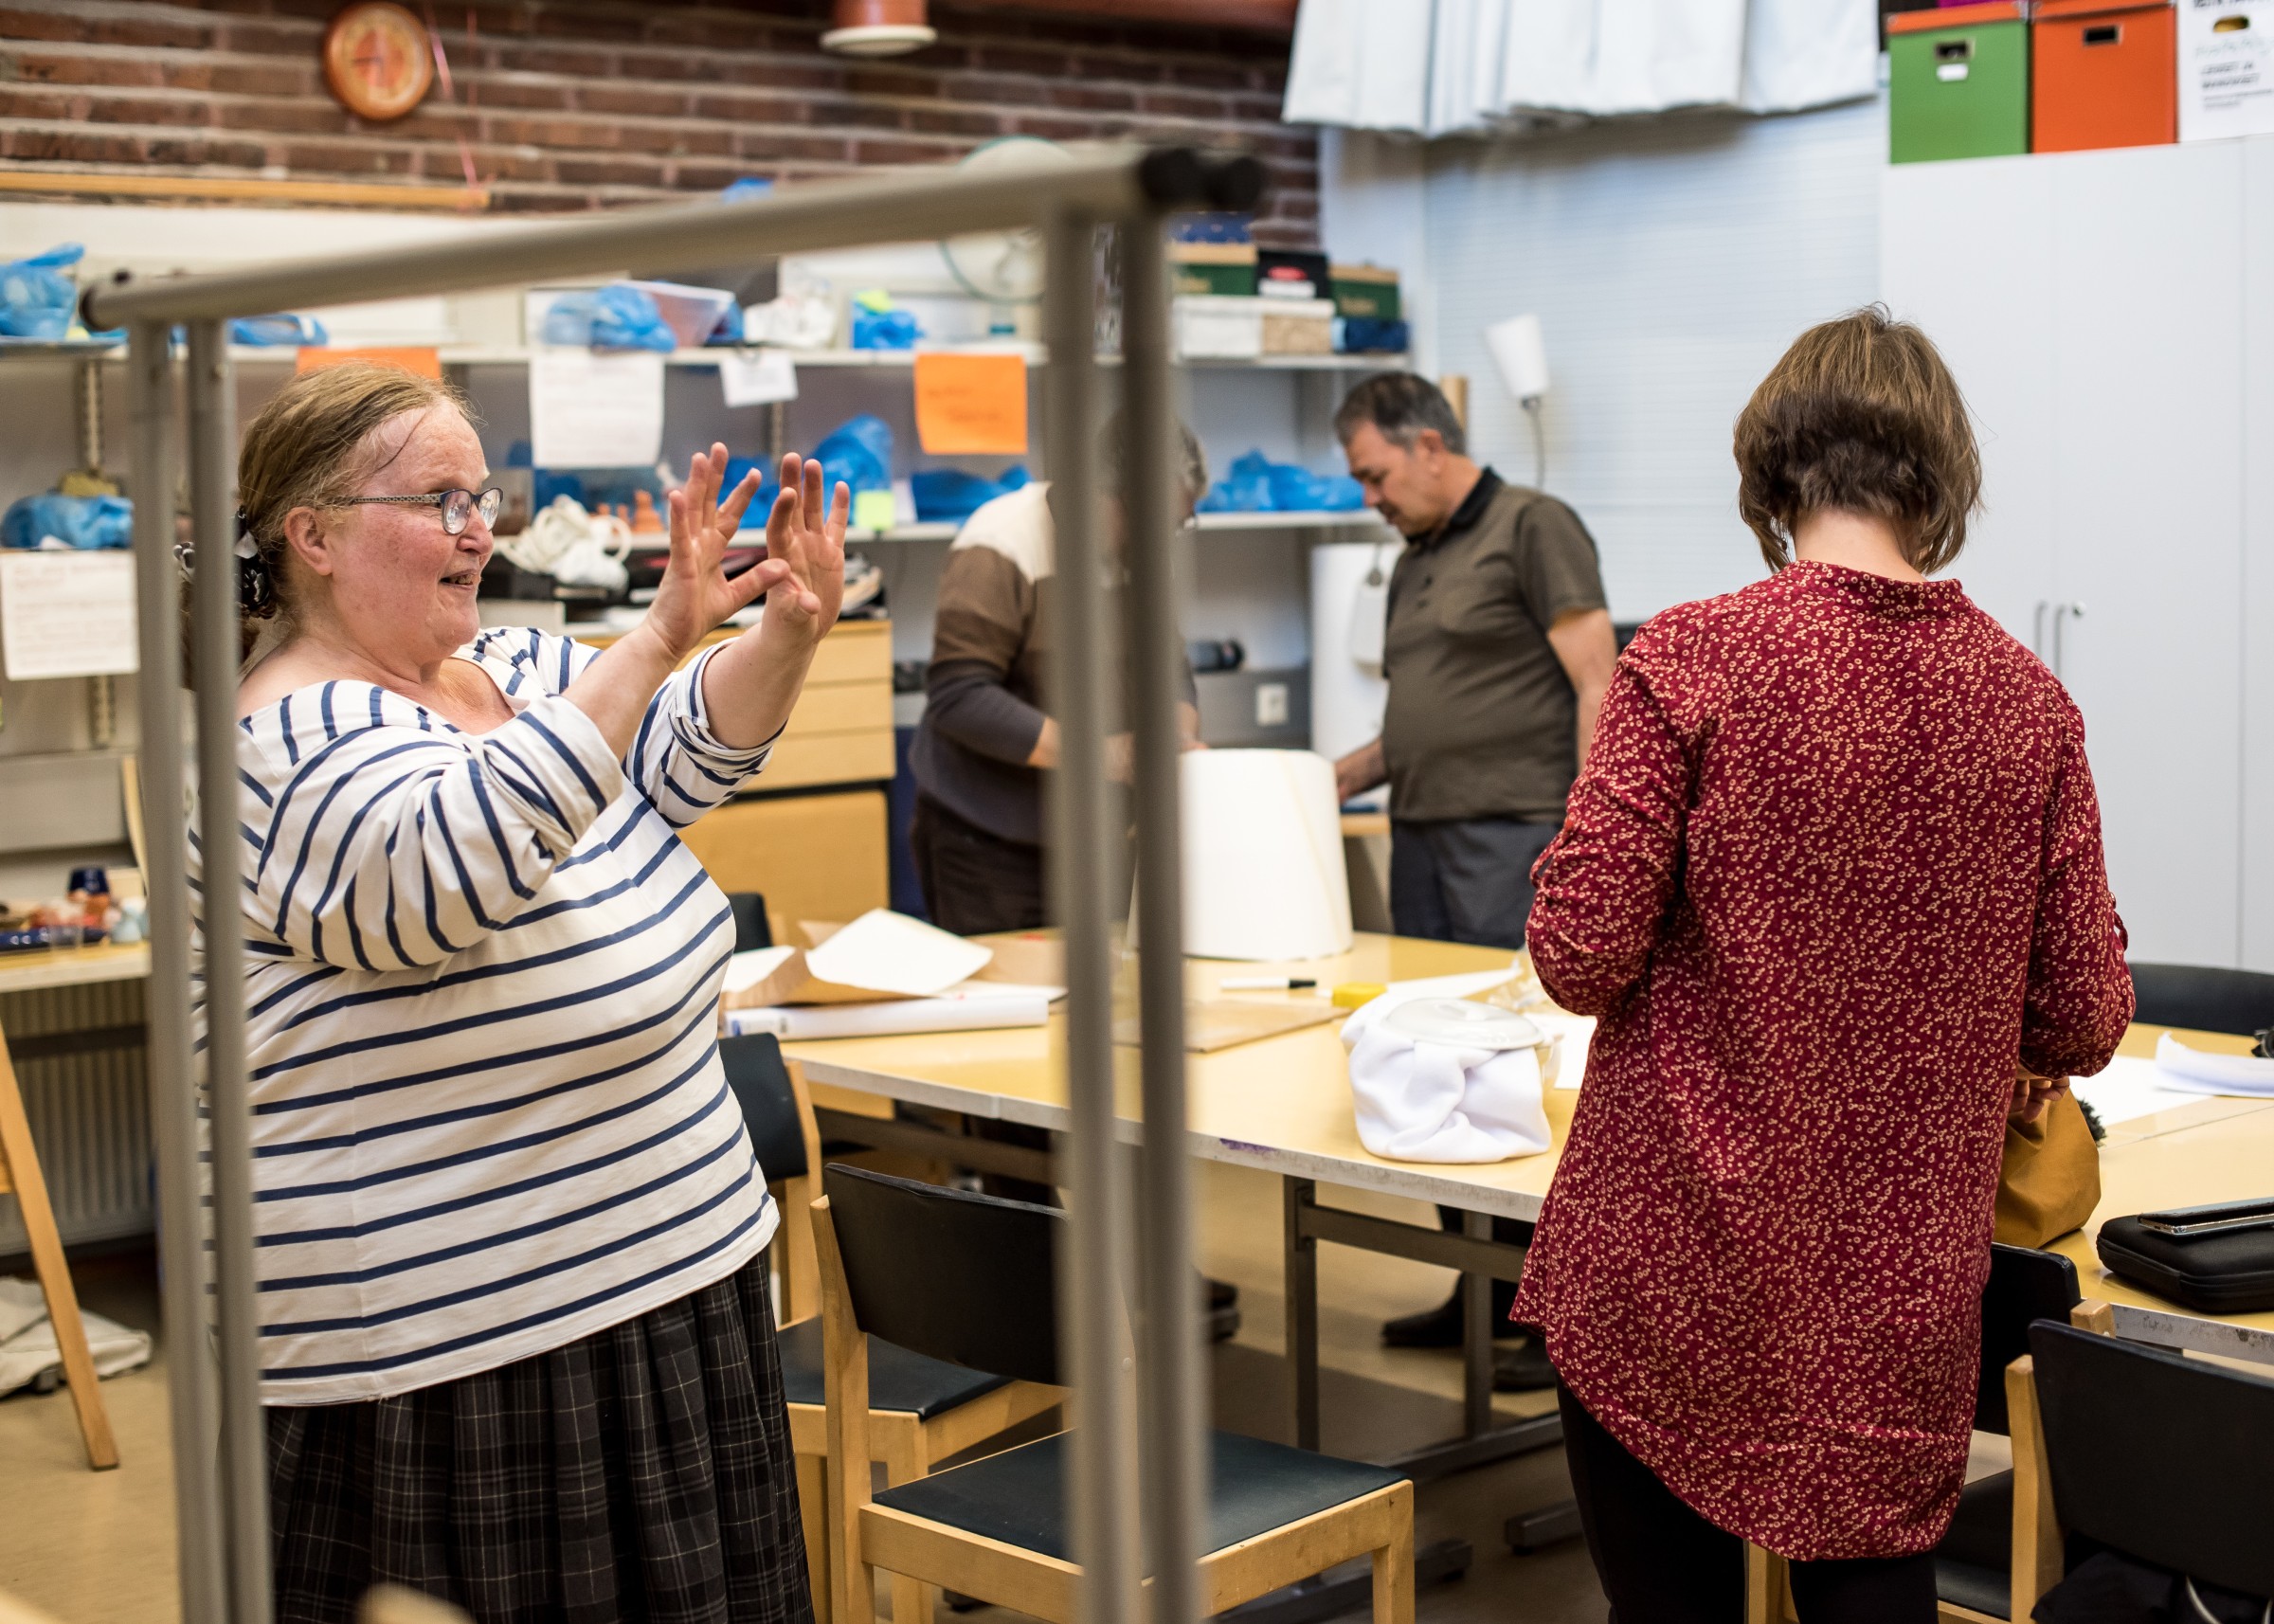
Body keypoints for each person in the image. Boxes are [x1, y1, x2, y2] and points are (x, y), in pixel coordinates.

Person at [1510, 309, 2135, 1623]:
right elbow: (2083, 1014)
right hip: (1891, 1297)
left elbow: (1578, 953)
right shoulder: (2029, 703)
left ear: (1773, 471)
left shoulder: (1689, 657)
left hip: (1666, 1255)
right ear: (1941, 478)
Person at [198, 362, 844, 1623]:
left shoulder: (510, 662)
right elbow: (442, 870)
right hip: (467, 1350)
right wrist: (657, 635)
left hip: (665, 1273)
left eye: (479, 496)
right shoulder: (279, 742)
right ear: (313, 535)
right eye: (438, 500)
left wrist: (782, 634)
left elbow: (679, 746)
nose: (478, 529)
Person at [1332, 372, 1617, 1376]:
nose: (1371, 495)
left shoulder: (1535, 526)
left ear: (1427, 443)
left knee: (1514, 1060)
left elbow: (1598, 683)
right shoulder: (1414, 555)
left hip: (1513, 834)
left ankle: (1546, 1312)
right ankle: (1480, 1285)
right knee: (1433, 1063)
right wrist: (1331, 780)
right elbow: (1419, 713)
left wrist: (1594, 834)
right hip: (1420, 833)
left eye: (1375, 474)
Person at [908, 421, 1208, 935]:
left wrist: (1178, 736)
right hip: (992, 845)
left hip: (1098, 843)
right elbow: (960, 698)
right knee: (1012, 1009)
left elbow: (1169, 666)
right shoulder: (1001, 543)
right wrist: (1110, 755)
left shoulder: (1138, 556)